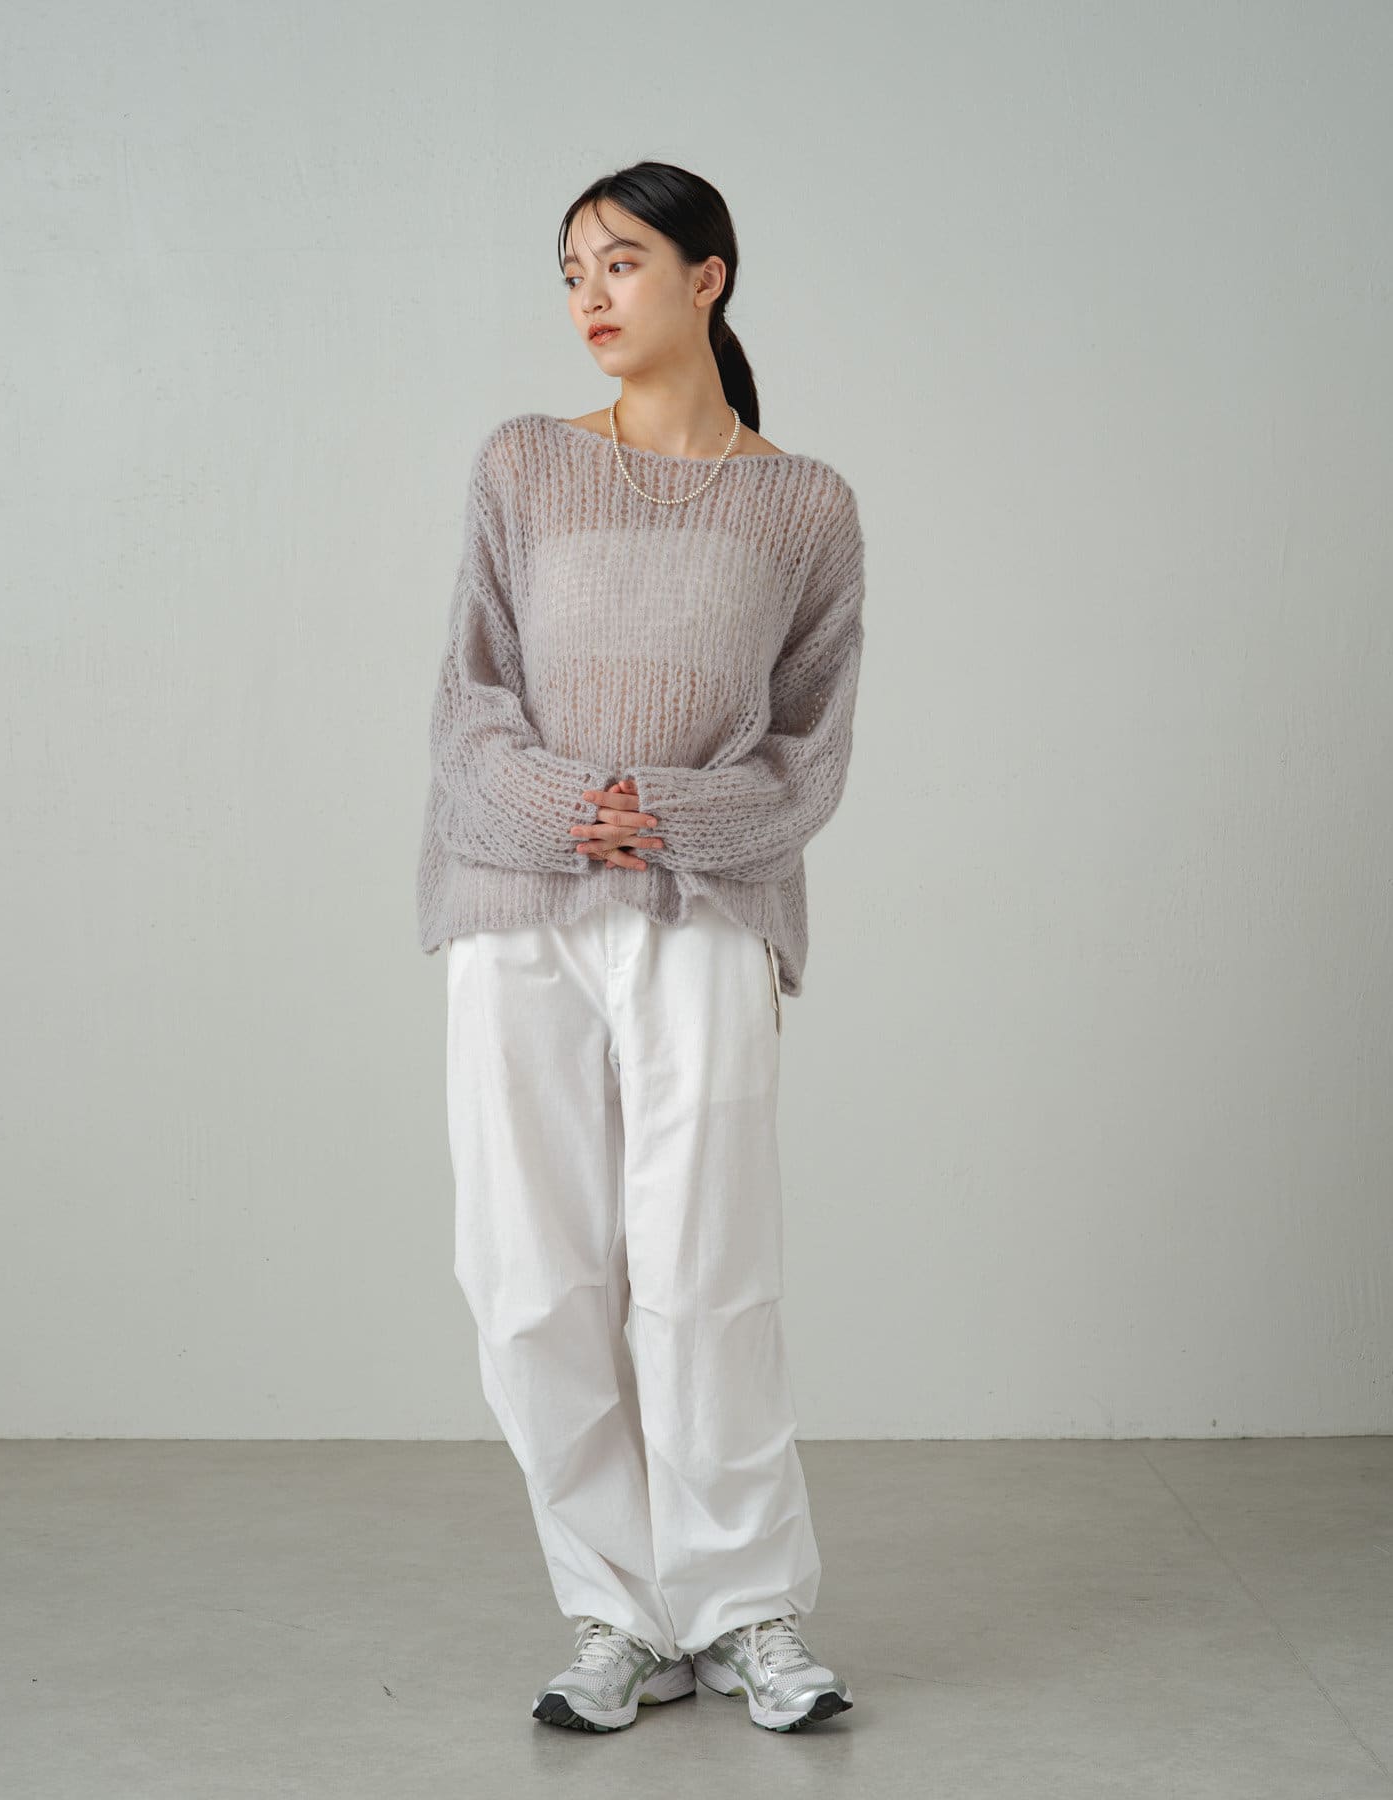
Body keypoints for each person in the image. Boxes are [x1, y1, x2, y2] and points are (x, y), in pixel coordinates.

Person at [415, 160, 865, 1733]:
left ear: (706, 276)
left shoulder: (804, 505)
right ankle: (617, 1612)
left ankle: (742, 1611)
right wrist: (575, 812)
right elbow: (469, 706)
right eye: (570, 272)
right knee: (529, 1276)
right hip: (518, 908)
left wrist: (663, 819)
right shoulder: (525, 464)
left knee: (707, 1271)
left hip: (705, 913)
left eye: (619, 262)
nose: (589, 296)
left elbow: (808, 752)